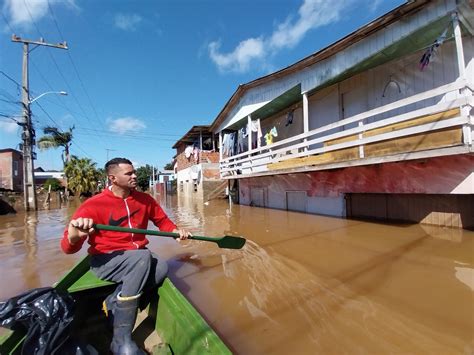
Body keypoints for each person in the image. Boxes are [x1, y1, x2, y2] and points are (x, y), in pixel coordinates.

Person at [61, 157, 190, 355]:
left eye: (134, 172)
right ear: (113, 178)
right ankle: (121, 341)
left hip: (137, 258)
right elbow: (67, 249)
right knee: (143, 257)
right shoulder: (93, 205)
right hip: (105, 260)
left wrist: (176, 231)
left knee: (161, 267)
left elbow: (162, 221)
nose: (135, 176)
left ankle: (113, 301)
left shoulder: (145, 200)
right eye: (129, 173)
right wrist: (73, 237)